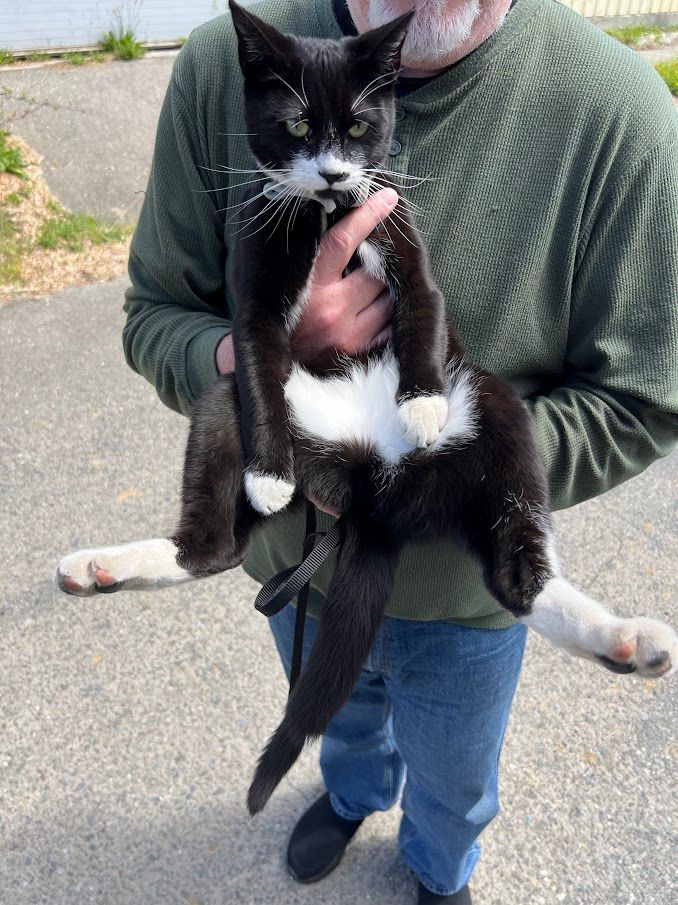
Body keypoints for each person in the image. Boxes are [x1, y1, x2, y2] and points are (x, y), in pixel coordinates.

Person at [122, 0, 678, 901]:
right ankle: (353, 795)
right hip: (299, 565)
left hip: (467, 590)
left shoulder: (622, 114)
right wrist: (263, 354)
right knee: (339, 720)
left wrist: (446, 476)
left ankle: (439, 864)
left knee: (456, 783)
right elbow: (154, 314)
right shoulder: (228, 59)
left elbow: (645, 399)